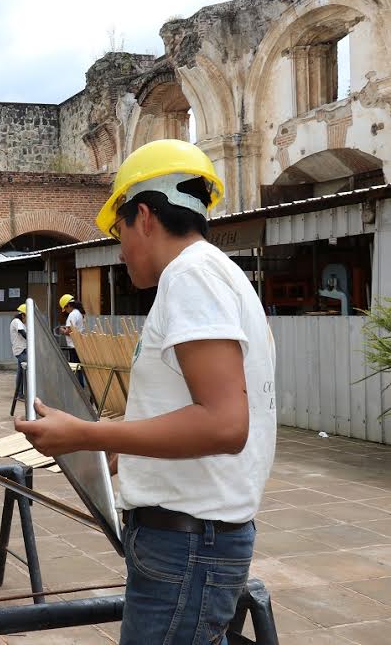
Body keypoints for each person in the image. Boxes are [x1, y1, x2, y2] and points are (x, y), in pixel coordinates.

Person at [16, 139, 276, 645]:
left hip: (187, 547)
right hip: (192, 541)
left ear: (144, 217)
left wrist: (87, 434)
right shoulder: (210, 274)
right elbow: (193, 413)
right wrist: (115, 447)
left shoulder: (191, 276)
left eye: (118, 231)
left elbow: (224, 424)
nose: (119, 247)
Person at [56, 294, 86, 386]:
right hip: (78, 343)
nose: (66, 311)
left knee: (75, 367)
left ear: (68, 305)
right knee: (78, 367)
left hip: (73, 345)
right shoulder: (79, 313)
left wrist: (62, 330)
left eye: (66, 309)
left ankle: (77, 386)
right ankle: (80, 384)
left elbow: (69, 331)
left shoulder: (72, 315)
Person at [9, 303, 28, 400]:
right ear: (23, 315)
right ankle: (22, 393)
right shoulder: (17, 321)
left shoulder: (23, 323)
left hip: (23, 350)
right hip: (20, 350)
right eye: (27, 317)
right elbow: (23, 333)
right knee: (28, 369)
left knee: (21, 372)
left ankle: (19, 393)